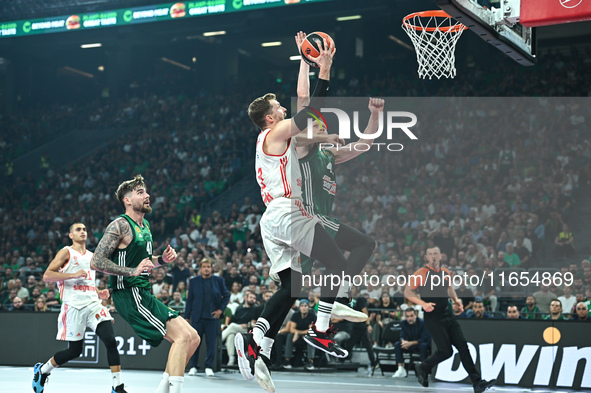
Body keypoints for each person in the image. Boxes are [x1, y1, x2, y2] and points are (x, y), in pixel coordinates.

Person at [235, 32, 357, 393]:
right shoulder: (273, 134)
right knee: (337, 264)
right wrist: (326, 69)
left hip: (275, 216)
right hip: (287, 212)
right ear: (270, 117)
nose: (284, 110)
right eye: (279, 108)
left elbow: (302, 102)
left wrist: (304, 61)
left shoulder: (277, 139)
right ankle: (320, 332)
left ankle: (260, 347)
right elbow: (309, 109)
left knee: (291, 288)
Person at [294, 29, 382, 311]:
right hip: (310, 218)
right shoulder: (303, 148)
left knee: (291, 291)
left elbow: (364, 145)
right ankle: (339, 294)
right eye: (315, 123)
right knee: (364, 244)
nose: (321, 124)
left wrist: (375, 115)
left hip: (318, 224)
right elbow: (303, 97)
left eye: (322, 124)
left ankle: (322, 315)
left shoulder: (329, 153)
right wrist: (304, 63)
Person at [90, 175, 200, 393]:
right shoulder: (120, 224)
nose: (147, 195)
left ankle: (162, 390)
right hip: (129, 295)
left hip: (142, 292)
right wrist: (132, 271)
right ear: (128, 200)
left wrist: (162, 261)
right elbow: (96, 261)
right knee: (182, 337)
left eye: (146, 191)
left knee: (193, 338)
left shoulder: (146, 225)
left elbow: (145, 263)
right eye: (140, 192)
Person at [33, 222, 127, 393]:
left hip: (93, 304)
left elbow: (87, 282)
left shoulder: (93, 256)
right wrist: (73, 274)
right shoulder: (66, 252)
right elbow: (47, 276)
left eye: (84, 229)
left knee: (111, 341)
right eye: (78, 229)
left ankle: (117, 387)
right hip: (73, 306)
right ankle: (43, 371)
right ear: (71, 235)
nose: (83, 232)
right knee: (74, 352)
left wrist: (99, 292)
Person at [405, 247, 495, 393]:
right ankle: (424, 366)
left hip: (448, 314)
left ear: (440, 256)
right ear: (427, 257)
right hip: (433, 317)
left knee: (463, 347)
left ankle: (477, 383)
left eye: (436, 253)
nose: (433, 256)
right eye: (430, 254)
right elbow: (408, 292)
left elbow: (449, 287)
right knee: (446, 351)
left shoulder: (445, 271)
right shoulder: (421, 273)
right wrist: (423, 304)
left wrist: (456, 300)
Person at [185, 258, 230, 377]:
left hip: (212, 318)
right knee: (194, 343)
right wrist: (187, 317)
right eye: (204, 266)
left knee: (211, 344)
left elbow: (226, 295)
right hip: (197, 317)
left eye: (208, 267)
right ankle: (193, 366)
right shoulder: (194, 281)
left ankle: (209, 366)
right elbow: (190, 300)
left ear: (212, 268)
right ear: (200, 268)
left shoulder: (218, 281)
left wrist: (221, 310)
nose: (206, 269)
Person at [223, 292, 262, 366]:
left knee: (232, 326)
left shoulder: (256, 309)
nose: (252, 299)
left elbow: (256, 322)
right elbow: (233, 320)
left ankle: (219, 340)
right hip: (237, 328)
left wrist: (247, 325)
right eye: (251, 297)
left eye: (254, 298)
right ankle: (231, 358)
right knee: (230, 335)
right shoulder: (239, 308)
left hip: (248, 329)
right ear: (246, 298)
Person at [392, 308, 431, 378]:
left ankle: (423, 369)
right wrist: (403, 341)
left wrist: (411, 343)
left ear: (415, 315)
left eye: (411, 316)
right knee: (397, 345)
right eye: (407, 316)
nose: (410, 318)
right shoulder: (404, 323)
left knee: (423, 345)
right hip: (409, 344)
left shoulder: (422, 323)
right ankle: (401, 369)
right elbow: (402, 335)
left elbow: (425, 338)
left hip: (419, 344)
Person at [283, 299, 317, 370]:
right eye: (302, 306)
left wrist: (298, 332)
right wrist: (297, 333)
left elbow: (311, 330)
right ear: (299, 307)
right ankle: (287, 360)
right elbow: (292, 329)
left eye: (305, 306)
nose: (304, 308)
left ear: (308, 307)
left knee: (311, 337)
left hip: (307, 336)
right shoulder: (295, 315)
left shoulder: (312, 315)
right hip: (298, 337)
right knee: (290, 335)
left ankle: (310, 362)